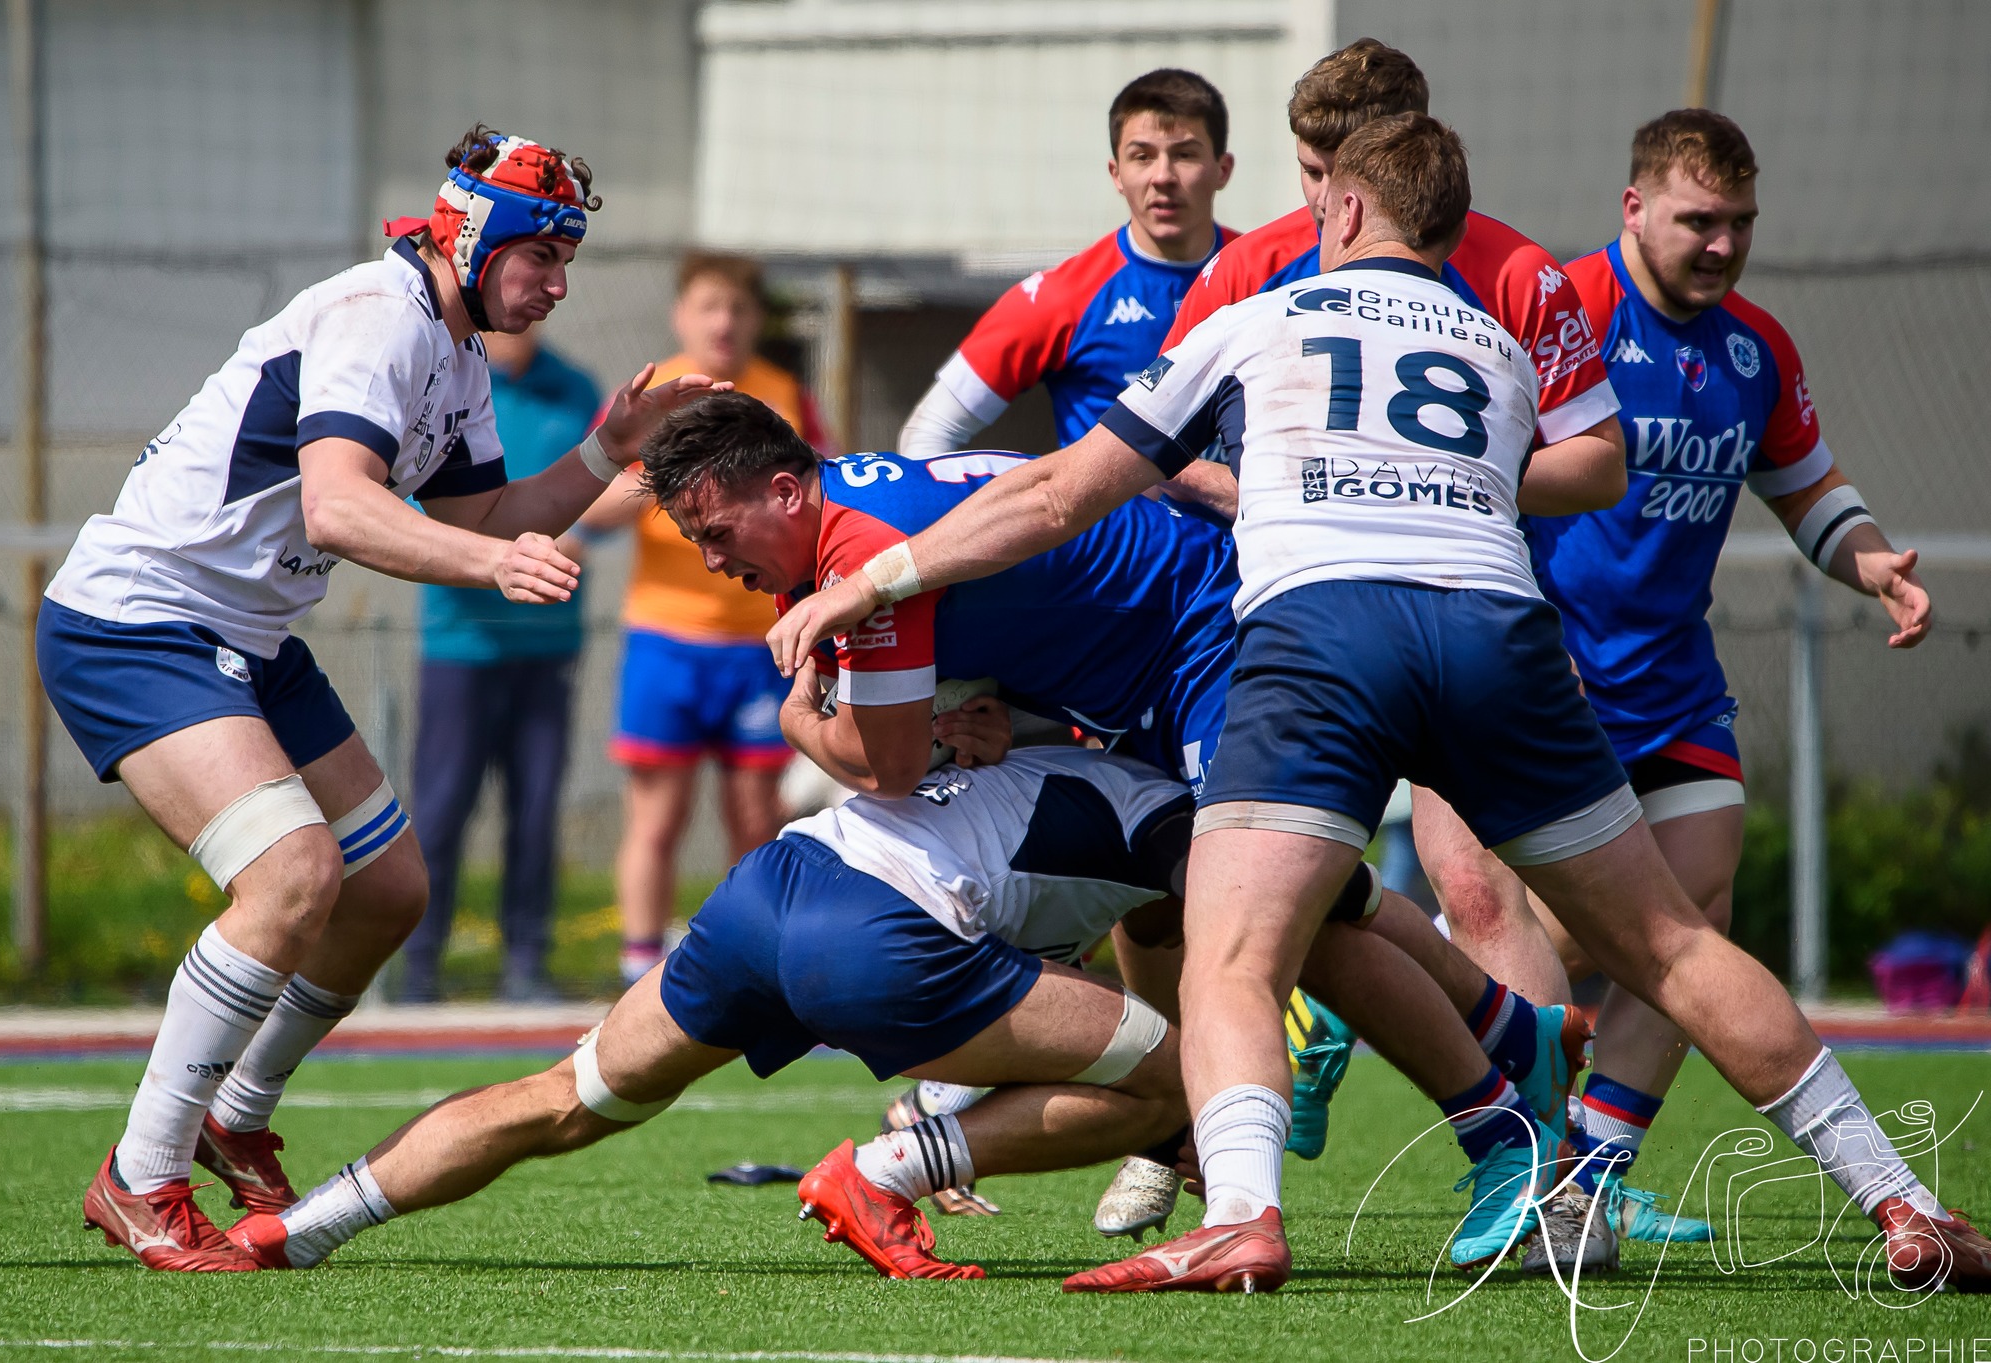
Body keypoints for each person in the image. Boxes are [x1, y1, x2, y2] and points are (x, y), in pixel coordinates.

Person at [765, 112, 1991, 1294]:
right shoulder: (1502, 347)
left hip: (1322, 638)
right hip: (1497, 635)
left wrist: (872, 577)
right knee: (1669, 943)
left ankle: (1241, 1221)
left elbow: (1049, 498)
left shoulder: (1255, 315)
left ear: (1341, 206)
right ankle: (1903, 1201)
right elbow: (1579, 472)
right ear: (1451, 235)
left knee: (1235, 956)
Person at [636, 394, 1603, 1266]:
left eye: (716, 532)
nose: (714, 560)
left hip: (1205, 631)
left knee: (1260, 906)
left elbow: (883, 765)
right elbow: (1010, 629)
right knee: (1183, 908)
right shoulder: (834, 529)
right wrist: (981, 722)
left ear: (783, 490)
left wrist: (801, 720)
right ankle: (1507, 1034)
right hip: (1129, 667)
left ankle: (1495, 1136)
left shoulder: (853, 553)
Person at [37, 126, 718, 1271]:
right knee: (295, 874)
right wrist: (494, 567)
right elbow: (340, 512)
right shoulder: (379, 316)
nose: (558, 281)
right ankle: (141, 1176)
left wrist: (608, 451)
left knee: (388, 887)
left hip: (242, 637)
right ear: (469, 234)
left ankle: (234, 1113)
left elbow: (484, 521)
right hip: (138, 621)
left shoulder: (451, 353)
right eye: (541, 253)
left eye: (568, 257)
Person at [224, 744, 1585, 1278]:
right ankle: (883, 1168)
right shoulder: (1203, 810)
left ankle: (299, 1227)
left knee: (567, 1100)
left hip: (774, 883)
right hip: (886, 936)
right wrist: (1506, 1013)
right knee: (1198, 1082)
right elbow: (1347, 908)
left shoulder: (1038, 756)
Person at [1151, 33, 1629, 1166]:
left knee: (1474, 886)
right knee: (1239, 902)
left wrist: (1429, 487)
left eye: (1338, 173)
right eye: (1304, 171)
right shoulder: (1252, 265)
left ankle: (1548, 1174)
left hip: (1462, 614)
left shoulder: (1513, 269)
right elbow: (1161, 443)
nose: (1318, 200)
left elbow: (1600, 461)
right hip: (1295, 628)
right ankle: (1192, 1142)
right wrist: (1277, 495)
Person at [1513, 108, 1935, 1270]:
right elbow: (1477, 480)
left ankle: (1580, 1193)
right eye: (1698, 219)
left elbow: (1806, 490)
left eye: (1739, 223)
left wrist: (1872, 563)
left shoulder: (1756, 350)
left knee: (1694, 913)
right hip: (1550, 677)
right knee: (1556, 933)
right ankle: (1394, 977)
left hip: (1674, 686)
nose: (1721, 243)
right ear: (1632, 207)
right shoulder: (1558, 313)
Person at [575, 252, 832, 986]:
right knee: (656, 818)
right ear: (680, 315)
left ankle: (752, 966)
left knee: (758, 819)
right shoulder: (651, 397)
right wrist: (664, 486)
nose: (725, 321)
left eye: (740, 308)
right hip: (666, 639)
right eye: (709, 305)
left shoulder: (784, 395)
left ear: (758, 321)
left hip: (760, 642)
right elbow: (589, 501)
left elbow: (827, 492)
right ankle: (637, 974)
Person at [402, 323, 606, 1004]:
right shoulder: (444, 382)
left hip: (547, 647)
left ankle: (526, 963)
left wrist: (580, 534)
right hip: (460, 646)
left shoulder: (575, 390)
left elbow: (603, 491)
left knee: (536, 809)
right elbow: (409, 504)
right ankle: (418, 966)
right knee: (441, 808)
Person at [897, 69, 1237, 457]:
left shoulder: (1276, 273)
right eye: (1142, 157)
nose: (1162, 176)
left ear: (1222, 169)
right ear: (1117, 174)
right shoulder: (1065, 296)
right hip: (1113, 520)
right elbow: (928, 433)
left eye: (1185, 155)